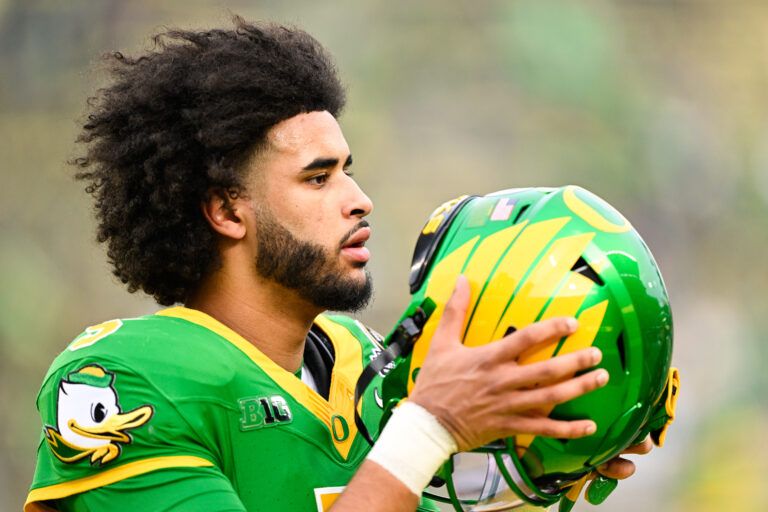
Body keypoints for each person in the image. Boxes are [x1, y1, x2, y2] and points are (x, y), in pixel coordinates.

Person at [26, 17, 650, 512]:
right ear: (226, 211)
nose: (358, 199)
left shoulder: (360, 362)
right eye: (317, 178)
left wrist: (549, 459)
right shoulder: (126, 379)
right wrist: (429, 427)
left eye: (347, 170)